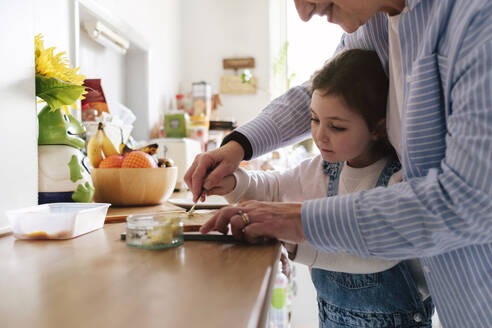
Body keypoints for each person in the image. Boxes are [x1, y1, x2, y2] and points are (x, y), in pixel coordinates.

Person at [186, 1, 492, 327]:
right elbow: (324, 92)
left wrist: (297, 224)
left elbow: (469, 198)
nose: (304, 13)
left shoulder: (476, 19)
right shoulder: (372, 21)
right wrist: (239, 146)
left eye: (338, 127)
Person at [205, 48, 433, 327]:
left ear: (378, 128)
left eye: (336, 127)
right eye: (314, 119)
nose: (319, 136)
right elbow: (274, 188)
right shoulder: (320, 168)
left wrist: (290, 234)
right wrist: (235, 182)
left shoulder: (397, 181)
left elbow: (375, 256)